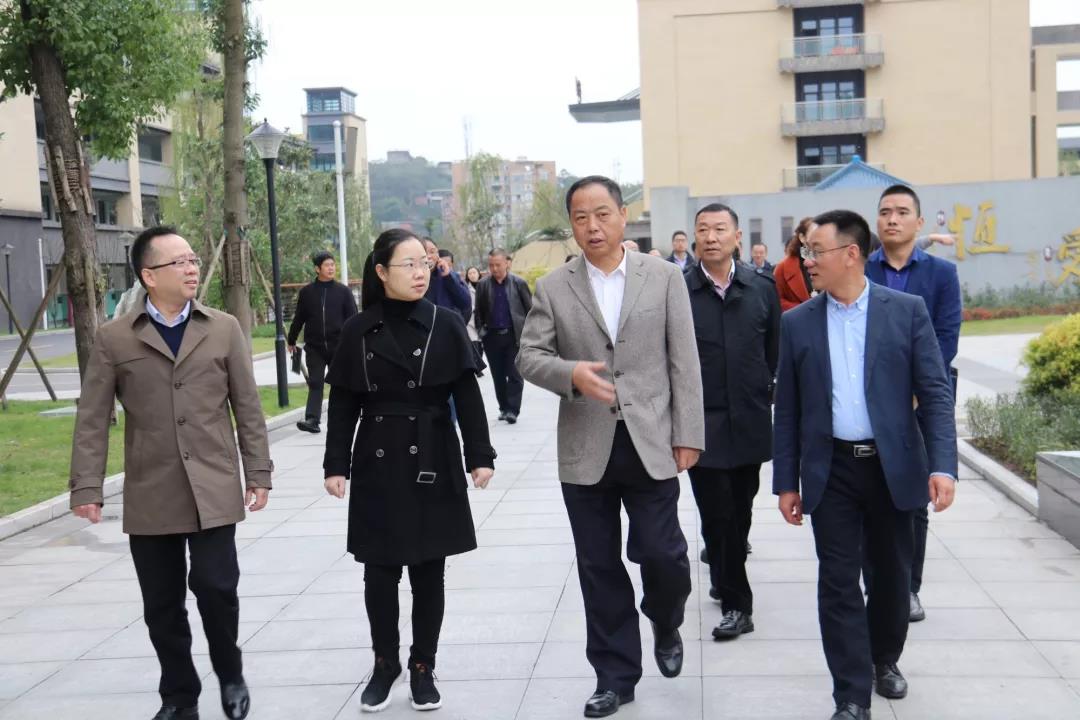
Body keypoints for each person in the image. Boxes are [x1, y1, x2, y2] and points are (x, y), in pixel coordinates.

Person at [517, 176, 704, 718]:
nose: (592, 226)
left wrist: (688, 433)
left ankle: (665, 619)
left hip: (652, 441)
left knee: (664, 555)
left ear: (623, 216)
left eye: (602, 214)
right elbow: (529, 356)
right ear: (572, 225)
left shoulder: (664, 277)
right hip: (586, 448)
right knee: (598, 567)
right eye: (580, 217)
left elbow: (684, 360)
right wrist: (570, 373)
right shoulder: (554, 287)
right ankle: (614, 677)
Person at [69, 225, 273, 720]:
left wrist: (258, 471)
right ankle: (180, 696)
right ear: (149, 275)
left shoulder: (223, 328)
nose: (191, 268)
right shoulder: (115, 338)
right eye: (178, 262)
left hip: (213, 485)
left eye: (193, 259)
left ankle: (230, 672)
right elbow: (93, 416)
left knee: (217, 588)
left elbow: (247, 406)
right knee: (162, 604)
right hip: (152, 489)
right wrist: (87, 486)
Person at [772, 210, 957, 720]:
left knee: (892, 577)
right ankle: (850, 694)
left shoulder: (906, 311)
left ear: (851, 254)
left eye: (816, 252)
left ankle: (884, 659)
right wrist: (786, 481)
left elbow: (935, 394)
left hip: (893, 468)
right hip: (831, 469)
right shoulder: (797, 323)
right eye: (806, 252)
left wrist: (943, 466)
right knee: (837, 582)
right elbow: (787, 410)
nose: (808, 261)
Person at [322, 228, 495, 714]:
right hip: (376, 458)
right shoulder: (358, 329)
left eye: (425, 263)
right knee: (378, 572)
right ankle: (385, 663)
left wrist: (480, 456)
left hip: (432, 454)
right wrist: (336, 464)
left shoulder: (445, 323)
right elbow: (344, 404)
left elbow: (467, 396)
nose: (421, 273)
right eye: (409, 264)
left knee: (428, 570)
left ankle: (423, 665)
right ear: (381, 272)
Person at [865, 184, 962, 623]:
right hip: (868, 403)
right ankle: (875, 584)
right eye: (885, 211)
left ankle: (908, 588)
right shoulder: (861, 269)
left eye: (902, 212)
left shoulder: (941, 275)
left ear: (919, 222)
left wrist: (917, 389)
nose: (892, 219)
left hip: (921, 403)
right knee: (867, 495)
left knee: (913, 499)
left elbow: (946, 337)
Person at [685, 203, 780, 641]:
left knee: (740, 511)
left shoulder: (761, 288)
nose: (711, 237)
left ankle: (724, 573)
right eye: (703, 229)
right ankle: (738, 606)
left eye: (720, 229)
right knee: (716, 513)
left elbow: (774, 351)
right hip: (702, 424)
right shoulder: (679, 290)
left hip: (750, 420)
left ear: (737, 237)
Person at [287, 251, 358, 434]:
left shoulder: (343, 292)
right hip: (315, 348)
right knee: (315, 383)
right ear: (317, 269)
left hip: (339, 346)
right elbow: (299, 318)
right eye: (327, 265)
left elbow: (353, 319)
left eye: (332, 265)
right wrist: (291, 339)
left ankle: (342, 416)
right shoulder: (307, 293)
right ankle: (312, 419)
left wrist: (354, 342)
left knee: (340, 384)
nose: (331, 268)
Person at [474, 248, 533, 424]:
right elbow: (479, 312)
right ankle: (504, 408)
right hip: (492, 337)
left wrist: (529, 335)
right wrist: (481, 332)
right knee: (498, 375)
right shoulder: (483, 285)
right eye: (491, 265)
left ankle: (513, 410)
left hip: (514, 336)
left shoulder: (519, 283)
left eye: (498, 265)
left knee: (515, 374)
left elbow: (531, 310)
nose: (494, 269)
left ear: (507, 263)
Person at [421, 237, 471, 322]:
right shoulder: (414, 278)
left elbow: (465, 303)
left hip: (449, 326)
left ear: (438, 255)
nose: (429, 256)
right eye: (424, 252)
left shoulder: (450, 275)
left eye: (432, 252)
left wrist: (448, 277)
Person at [774, 217, 815, 311]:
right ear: (802, 237)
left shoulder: (828, 263)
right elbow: (775, 300)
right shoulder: (783, 267)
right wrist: (803, 310)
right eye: (813, 235)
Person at [464, 266, 485, 372]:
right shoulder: (465, 288)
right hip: (471, 319)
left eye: (474, 272)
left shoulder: (485, 285)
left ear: (478, 274)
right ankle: (477, 368)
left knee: (481, 344)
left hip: (483, 319)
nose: (472, 275)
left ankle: (479, 364)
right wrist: (473, 308)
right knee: (474, 342)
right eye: (470, 273)